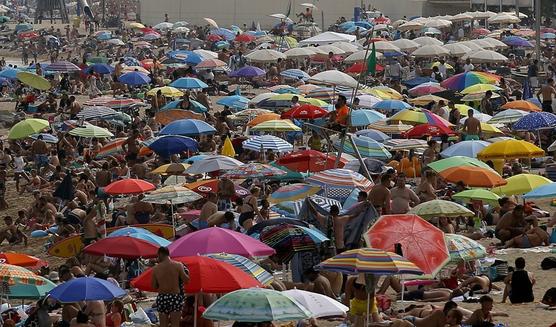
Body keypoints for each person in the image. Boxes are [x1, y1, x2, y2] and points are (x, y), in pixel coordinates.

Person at [152, 246, 190, 327]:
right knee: (175, 325)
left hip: (162, 297)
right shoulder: (178, 265)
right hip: (175, 297)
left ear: (161, 254)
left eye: (158, 256)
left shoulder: (155, 268)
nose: (157, 258)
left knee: (163, 325)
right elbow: (186, 280)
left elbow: (154, 286)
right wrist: (187, 271)